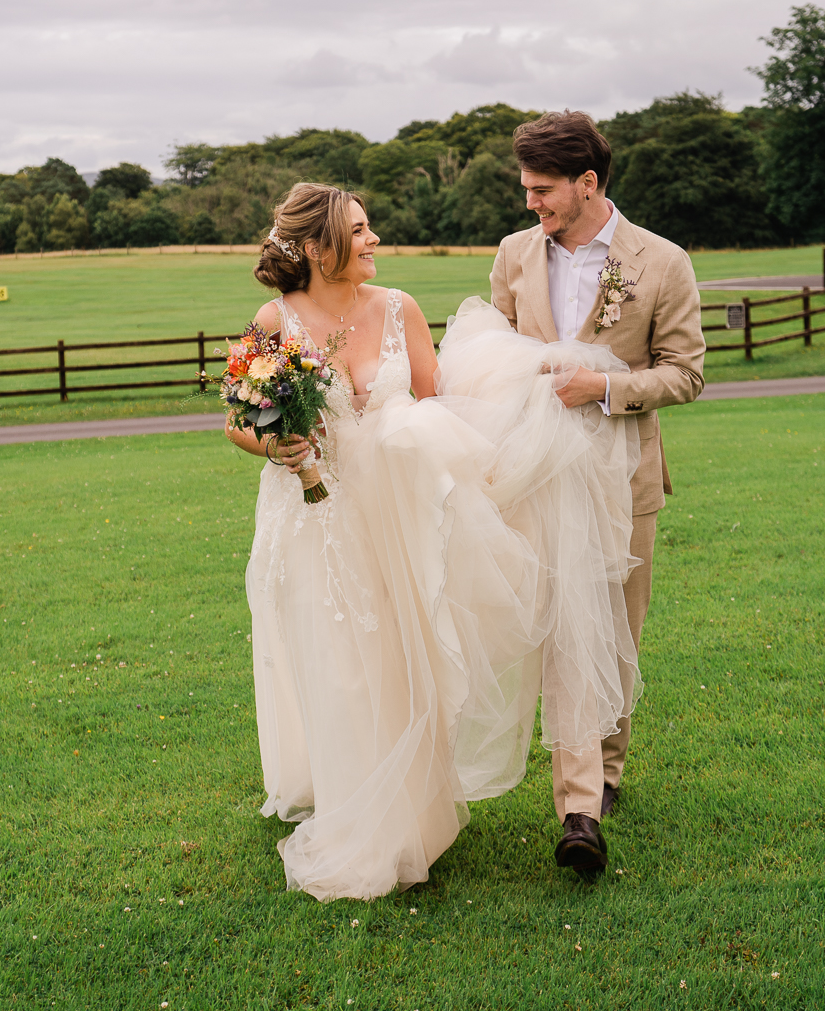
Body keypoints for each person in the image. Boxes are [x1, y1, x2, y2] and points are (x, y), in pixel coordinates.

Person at [230, 182, 641, 901]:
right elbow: (237, 417)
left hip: (397, 513)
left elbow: (436, 400)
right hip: (314, 517)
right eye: (360, 231)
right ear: (321, 246)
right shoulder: (276, 318)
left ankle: (413, 809)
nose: (374, 240)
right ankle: (358, 808)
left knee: (399, 657)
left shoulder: (400, 309)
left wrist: (513, 422)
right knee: (339, 661)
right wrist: (272, 445)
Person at [488, 110, 705, 880]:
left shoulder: (663, 262)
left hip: (624, 476)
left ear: (587, 183)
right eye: (525, 189)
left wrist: (604, 387)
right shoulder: (515, 254)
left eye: (541, 190)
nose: (530, 205)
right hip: (537, 476)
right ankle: (577, 797)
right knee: (554, 625)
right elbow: (497, 353)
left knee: (616, 626)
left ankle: (605, 778)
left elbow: (686, 372)